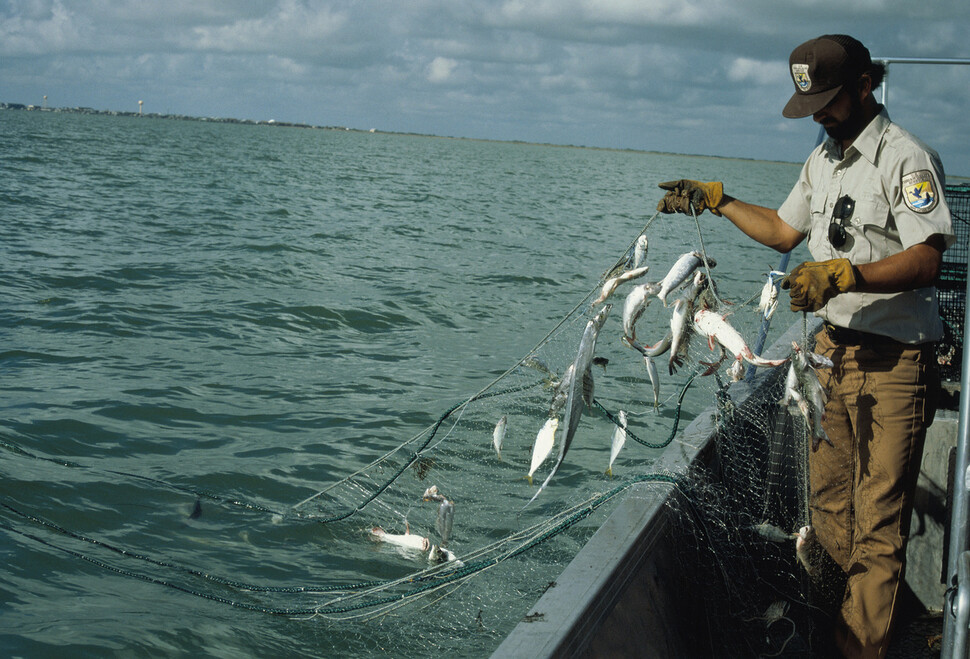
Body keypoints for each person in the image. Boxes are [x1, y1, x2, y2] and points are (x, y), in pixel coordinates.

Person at [656, 34, 954, 658]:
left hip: (894, 363)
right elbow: (786, 231)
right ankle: (835, 632)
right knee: (827, 507)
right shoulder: (823, 158)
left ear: (866, 86)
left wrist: (848, 275)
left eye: (828, 99)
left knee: (877, 522)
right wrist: (721, 199)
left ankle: (859, 649)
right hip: (828, 357)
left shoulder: (907, 159)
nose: (818, 112)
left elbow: (928, 257)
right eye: (809, 101)